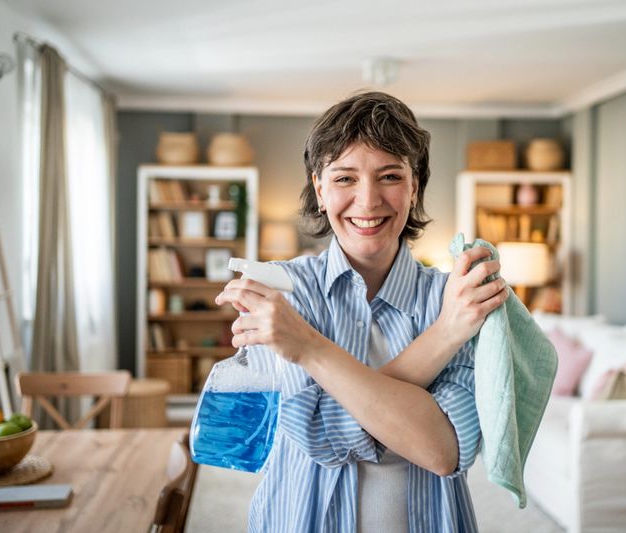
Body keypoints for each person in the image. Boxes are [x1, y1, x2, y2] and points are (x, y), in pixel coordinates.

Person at [216, 91, 509, 532]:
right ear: (319, 188)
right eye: (345, 178)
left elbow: (443, 450)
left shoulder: (458, 298)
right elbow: (317, 435)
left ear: (414, 187)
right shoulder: (279, 291)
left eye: (390, 176)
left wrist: (307, 347)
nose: (368, 201)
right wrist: (442, 337)